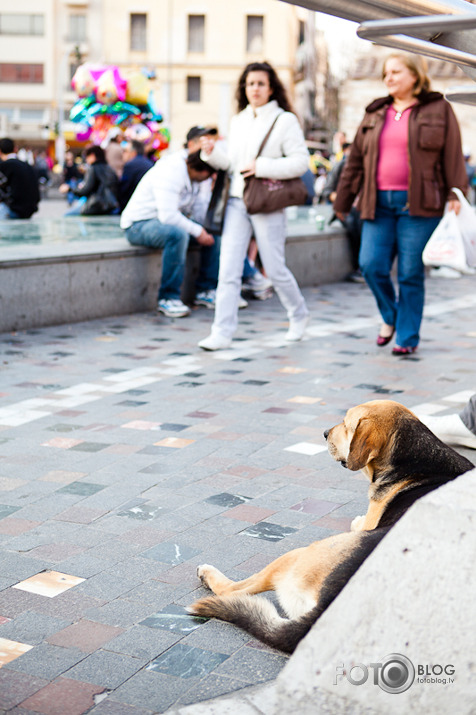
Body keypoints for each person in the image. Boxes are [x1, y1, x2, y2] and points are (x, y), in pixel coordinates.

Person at [334, 53, 468, 355]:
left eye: (396, 72)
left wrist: (455, 193)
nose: (389, 78)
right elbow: (354, 161)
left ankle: (406, 336)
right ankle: (391, 316)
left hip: (419, 206)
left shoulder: (438, 108)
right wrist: (342, 200)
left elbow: (452, 154)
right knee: (370, 265)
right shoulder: (375, 112)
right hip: (376, 204)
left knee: (409, 272)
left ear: (415, 75)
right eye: (385, 73)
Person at [198, 61, 310, 351]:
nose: (255, 89)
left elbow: (300, 162)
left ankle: (298, 313)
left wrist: (262, 166)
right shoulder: (239, 120)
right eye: (250, 84)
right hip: (236, 202)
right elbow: (234, 166)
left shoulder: (284, 120)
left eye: (260, 83)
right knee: (228, 269)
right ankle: (221, 332)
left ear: (271, 87)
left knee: (274, 268)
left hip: (267, 202)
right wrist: (212, 155)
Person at [120, 149, 219, 318]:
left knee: (213, 236)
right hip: (138, 225)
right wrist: (197, 231)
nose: (209, 180)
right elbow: (168, 216)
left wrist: (203, 230)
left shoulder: (194, 178)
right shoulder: (171, 171)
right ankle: (168, 297)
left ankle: (206, 290)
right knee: (177, 234)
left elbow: (198, 213)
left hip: (162, 222)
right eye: (210, 176)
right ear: (203, 171)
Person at [322, 143, 363, 283]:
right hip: (346, 211)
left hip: (361, 210)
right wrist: (343, 202)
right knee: (354, 222)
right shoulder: (340, 166)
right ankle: (359, 267)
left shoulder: (367, 167)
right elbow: (328, 192)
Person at [60, 145, 120, 216]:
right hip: (112, 206)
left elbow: (85, 190)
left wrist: (69, 189)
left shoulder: (93, 168)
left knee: (67, 215)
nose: (86, 160)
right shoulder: (110, 168)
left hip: (96, 206)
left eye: (86, 156)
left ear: (92, 155)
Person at [0, 137, 40, 219]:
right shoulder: (27, 165)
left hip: (12, 210)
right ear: (15, 149)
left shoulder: (4, 166)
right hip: (29, 211)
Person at [119, 140, 153, 211]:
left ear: (133, 153)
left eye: (125, 151)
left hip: (135, 206)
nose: (122, 154)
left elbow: (124, 189)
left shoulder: (130, 165)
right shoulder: (149, 163)